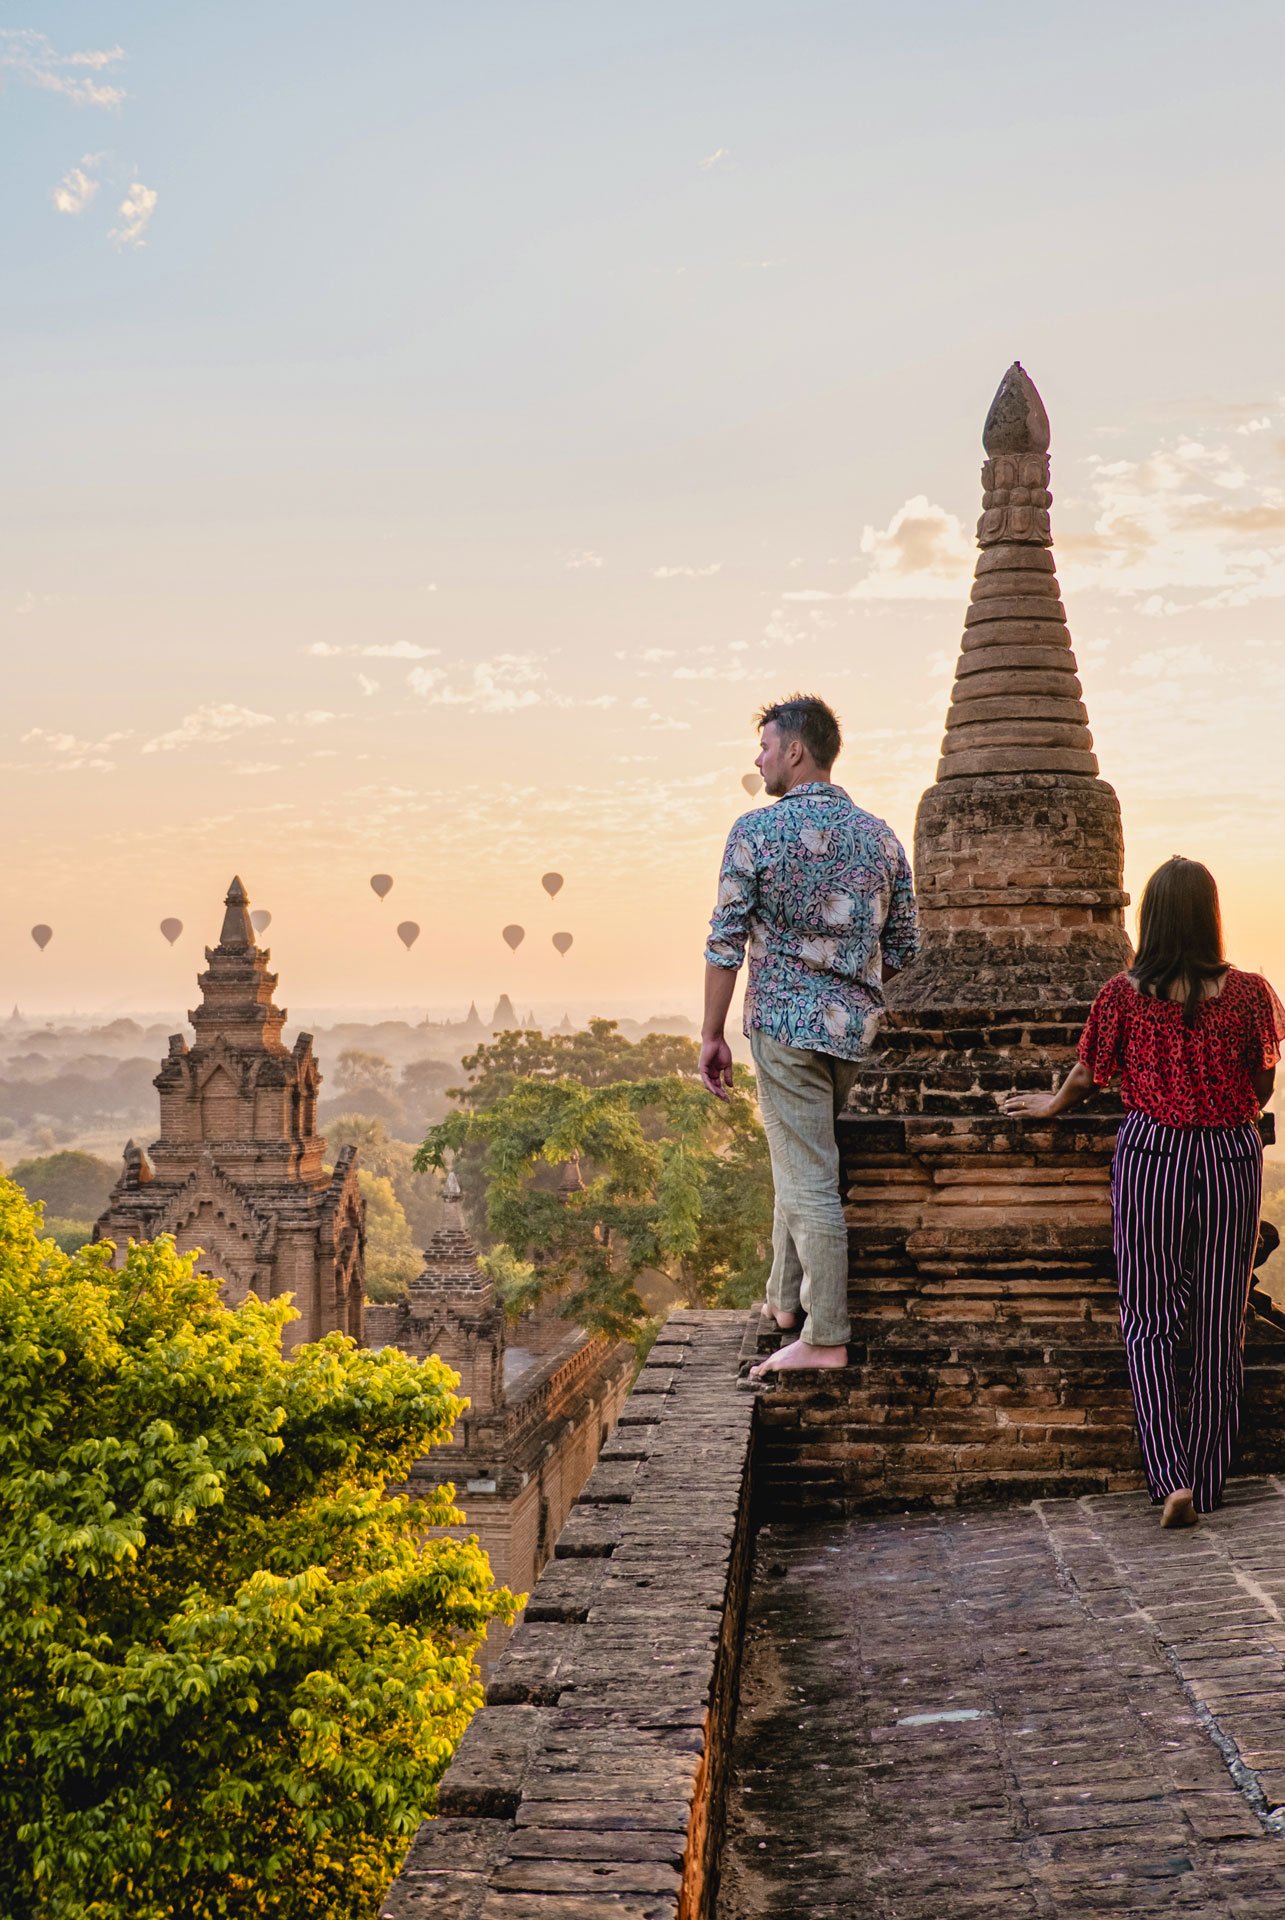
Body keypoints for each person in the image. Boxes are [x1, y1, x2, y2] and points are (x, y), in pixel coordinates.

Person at [1003, 856, 1285, 1528]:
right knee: (1221, 1320)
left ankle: (1169, 1478)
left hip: (1154, 1154)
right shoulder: (1250, 993)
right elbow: (1264, 1082)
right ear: (1210, 915)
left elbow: (1086, 1075)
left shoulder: (1122, 996)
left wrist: (1047, 1107)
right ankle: (1208, 1478)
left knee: (1149, 1321)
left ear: (1149, 918)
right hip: (1228, 1155)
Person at [701, 694, 917, 1377]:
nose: (758, 759)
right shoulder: (880, 836)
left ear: (794, 750)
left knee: (809, 1178)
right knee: (799, 1164)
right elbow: (906, 946)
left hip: (785, 1025)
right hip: (856, 1031)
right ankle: (784, 1303)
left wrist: (711, 1034)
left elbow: (724, 940)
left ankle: (824, 1335)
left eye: (764, 747)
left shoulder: (755, 832)